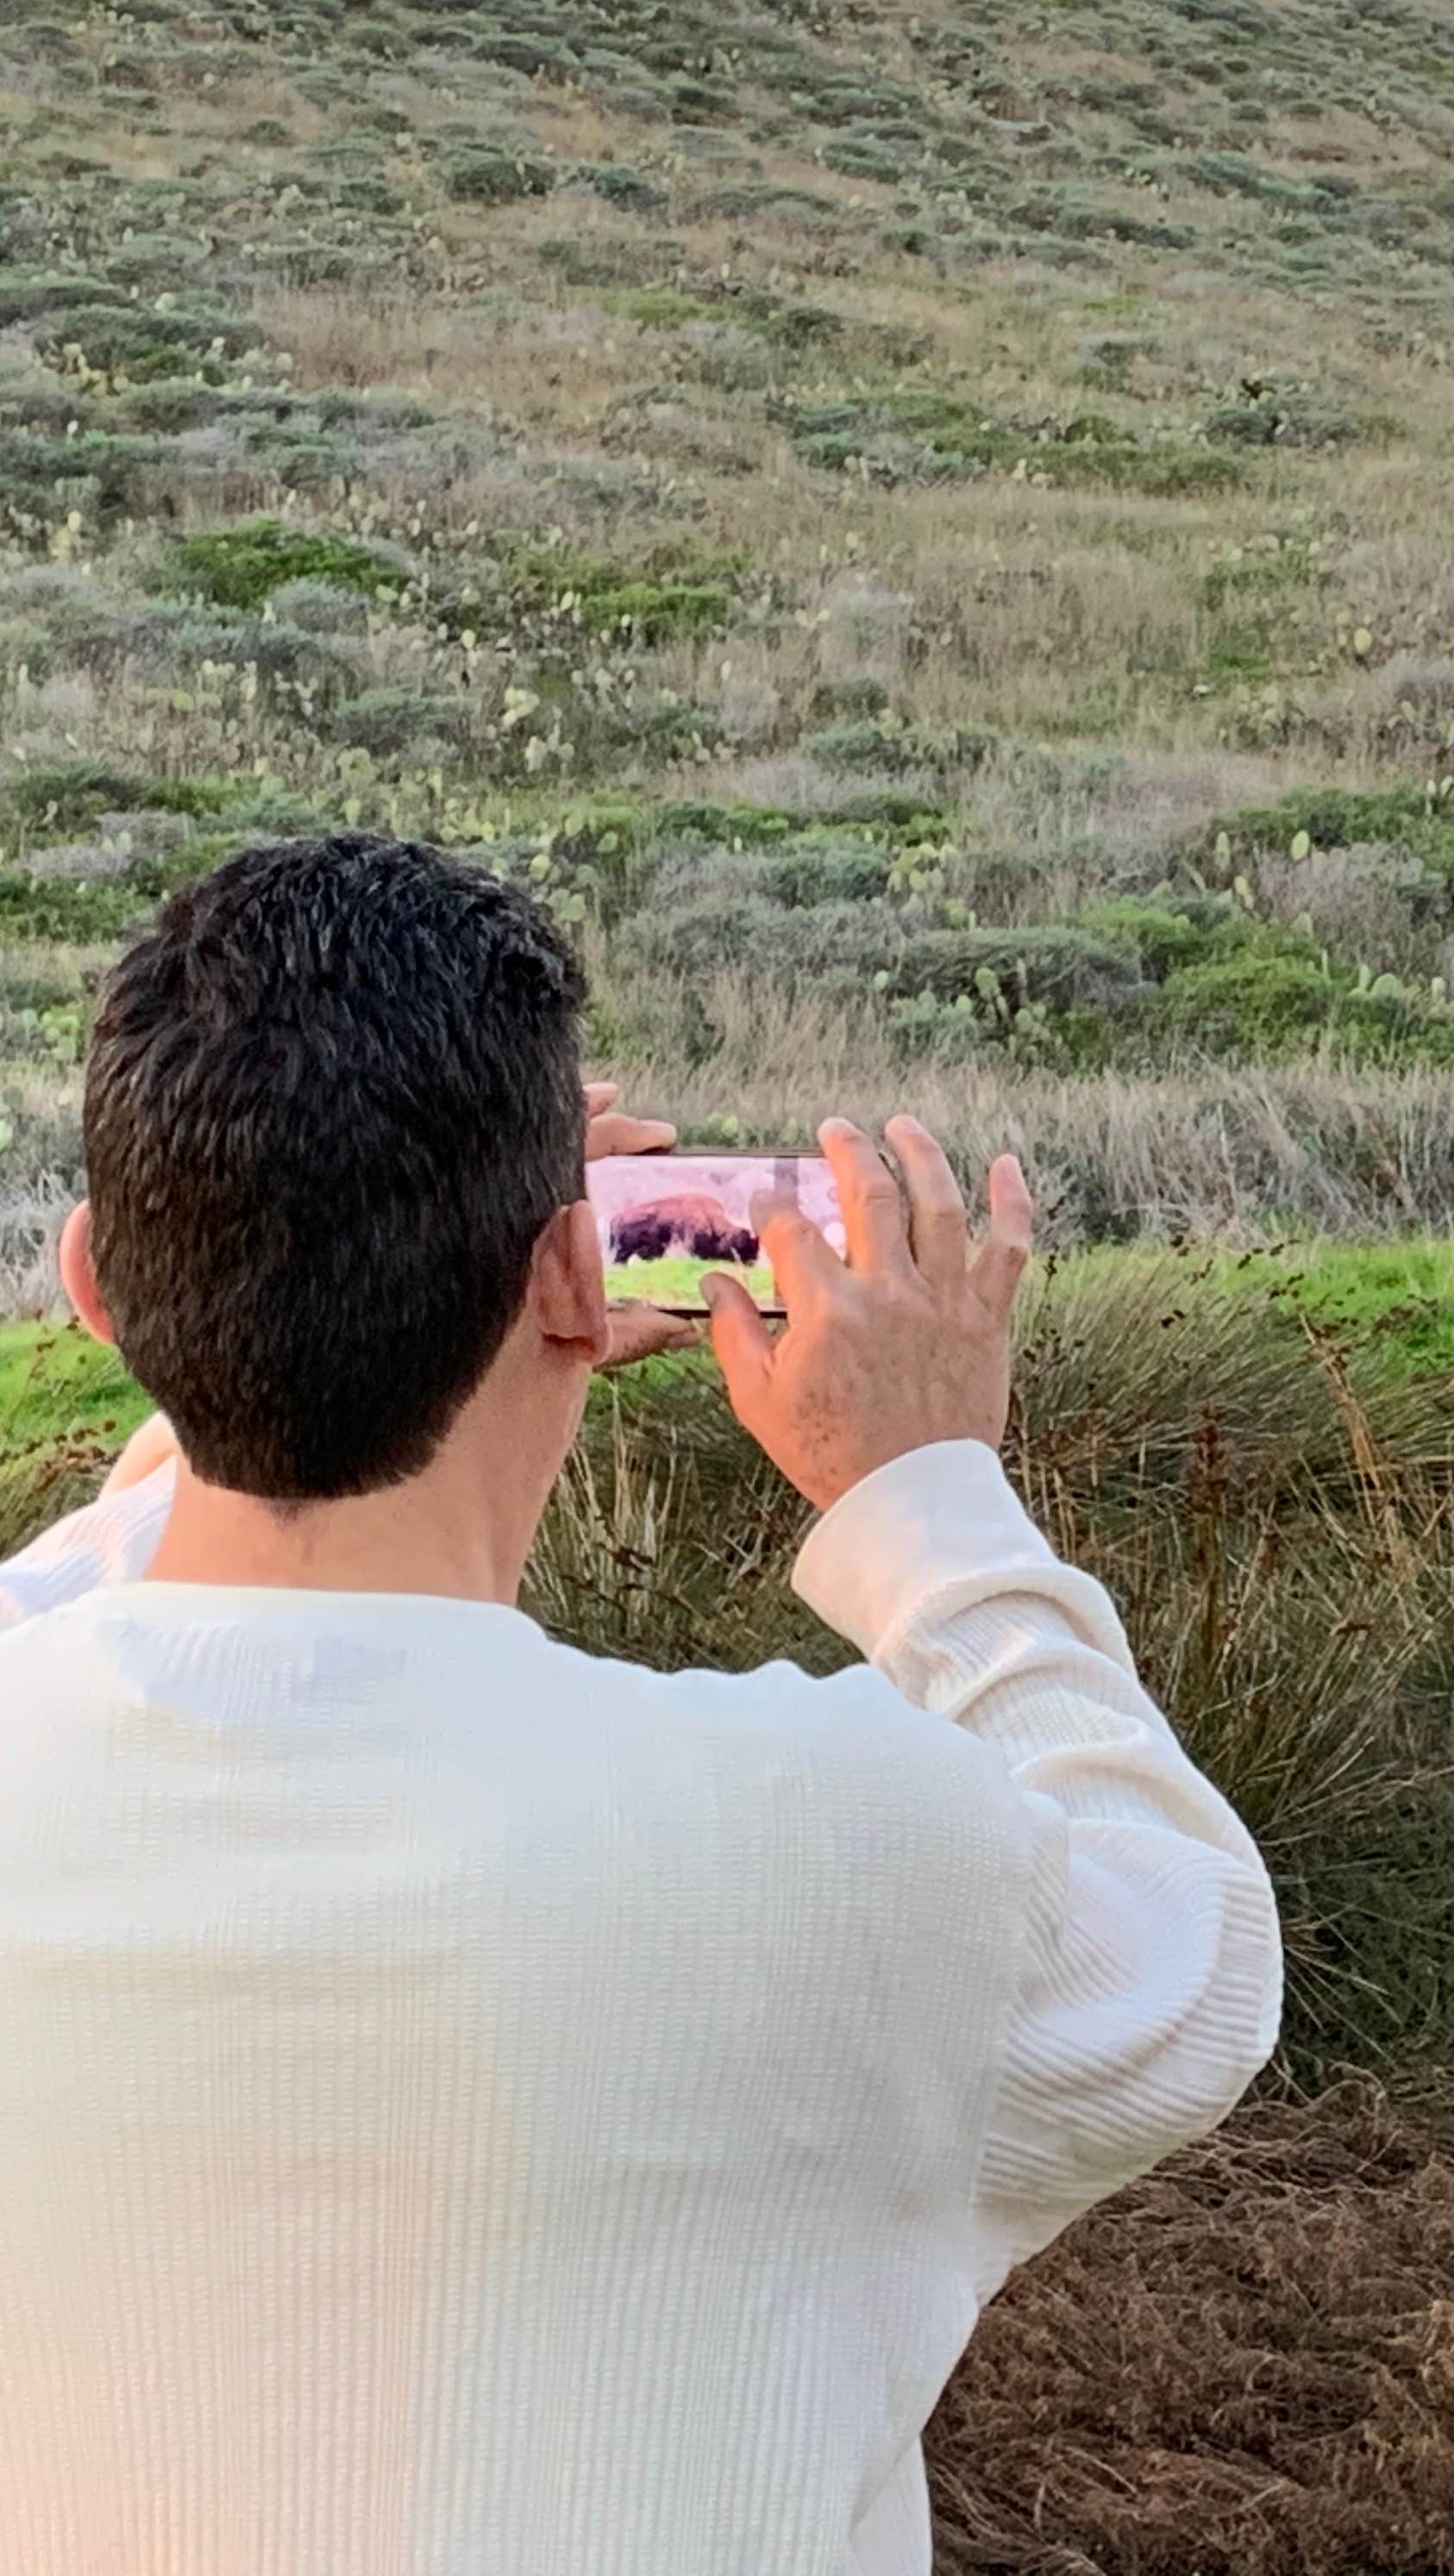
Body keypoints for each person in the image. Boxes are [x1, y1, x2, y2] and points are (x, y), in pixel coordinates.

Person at [0, 835, 1282, 2573]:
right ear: (577, 1273)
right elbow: (1191, 1961)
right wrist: (925, 1497)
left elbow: (80, 1580)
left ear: (89, 1286)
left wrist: (270, 1311)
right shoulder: (824, 1838)